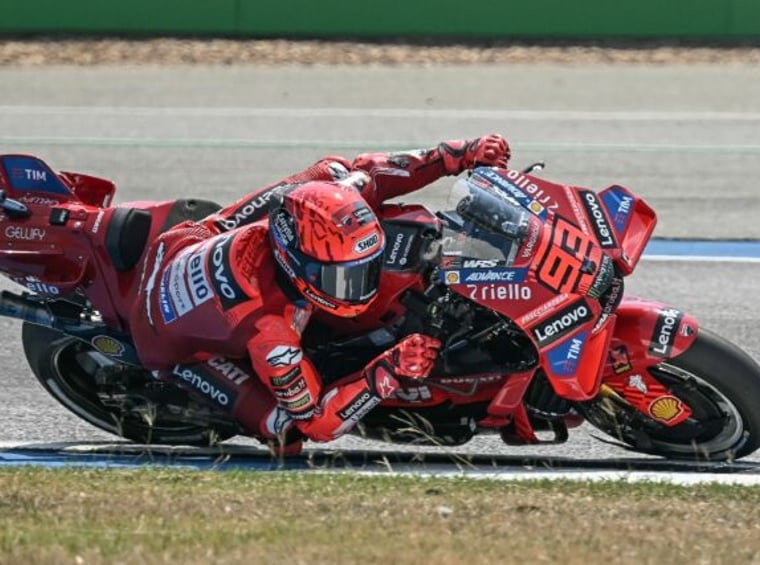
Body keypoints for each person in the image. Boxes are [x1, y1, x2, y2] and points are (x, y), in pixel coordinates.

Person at [128, 134, 512, 452]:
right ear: (298, 264)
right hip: (174, 344)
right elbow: (317, 424)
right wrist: (389, 369)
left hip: (188, 239)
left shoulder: (329, 189)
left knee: (335, 169)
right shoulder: (271, 335)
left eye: (367, 268)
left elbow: (375, 172)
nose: (361, 285)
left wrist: (459, 154)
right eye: (345, 278)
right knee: (285, 431)